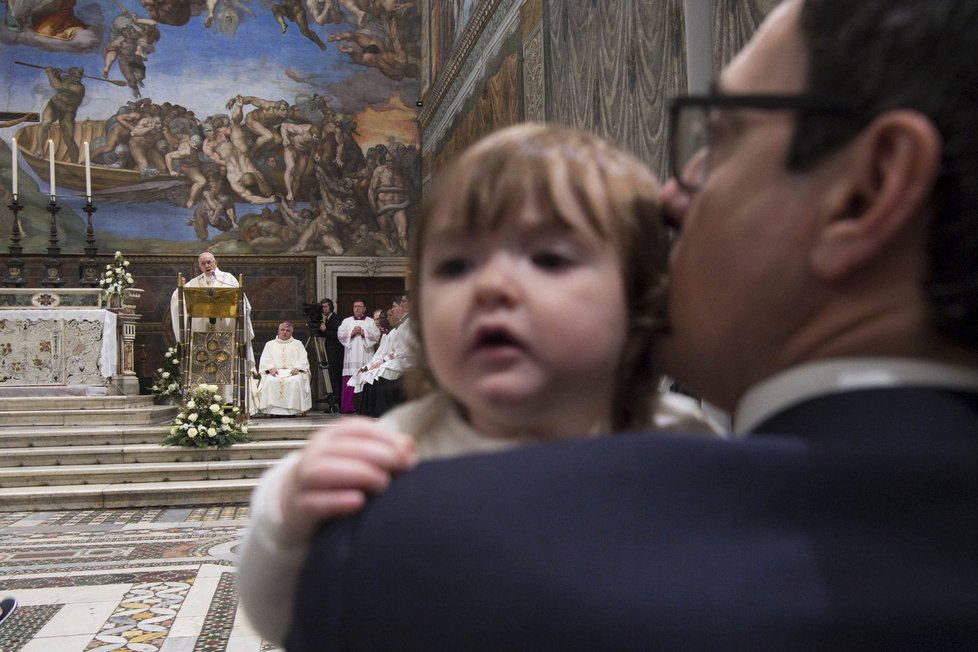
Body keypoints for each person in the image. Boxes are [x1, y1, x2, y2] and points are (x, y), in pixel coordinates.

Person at [278, 1, 978, 649]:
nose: (671, 195)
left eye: (721, 140)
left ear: (866, 190)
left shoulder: (411, 556)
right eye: (456, 266)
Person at [238, 123, 726, 645]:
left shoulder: (678, 440)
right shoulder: (400, 448)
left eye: (549, 259)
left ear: (642, 300)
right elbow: (282, 616)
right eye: (455, 266)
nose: (491, 286)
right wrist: (286, 523)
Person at [170, 252, 255, 401]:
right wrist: (180, 290)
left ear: (215, 263)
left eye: (209, 262)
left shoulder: (228, 279)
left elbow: (243, 302)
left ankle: (228, 399)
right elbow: (179, 301)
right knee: (204, 363)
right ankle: (203, 400)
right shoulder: (194, 283)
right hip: (202, 333)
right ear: (199, 266)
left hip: (225, 330)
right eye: (203, 263)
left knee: (225, 362)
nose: (207, 266)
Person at [253, 321, 312, 416]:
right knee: (270, 381)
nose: (285, 332)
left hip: (293, 372)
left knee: (296, 380)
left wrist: (297, 367)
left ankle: (293, 410)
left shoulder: (298, 344)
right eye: (282, 330)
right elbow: (265, 358)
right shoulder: (270, 344)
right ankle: (272, 411)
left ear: (291, 333)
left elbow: (303, 358)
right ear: (278, 331)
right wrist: (270, 368)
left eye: (288, 330)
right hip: (276, 372)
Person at [335, 299, 380, 412]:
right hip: (351, 355)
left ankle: (364, 406)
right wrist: (352, 333)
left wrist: (364, 332)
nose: (357, 308)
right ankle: (349, 406)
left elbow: (376, 336)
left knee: (364, 377)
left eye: (360, 306)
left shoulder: (371, 321)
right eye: (355, 306)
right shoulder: (346, 321)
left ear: (364, 308)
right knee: (350, 378)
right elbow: (340, 335)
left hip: (366, 355)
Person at [308, 297, 344, 410]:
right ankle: (336, 398)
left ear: (331, 307)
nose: (323, 309)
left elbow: (337, 336)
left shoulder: (336, 318)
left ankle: (338, 399)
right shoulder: (328, 319)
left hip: (335, 353)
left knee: (335, 376)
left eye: (325, 306)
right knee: (332, 376)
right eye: (322, 307)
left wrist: (324, 329)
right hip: (330, 351)